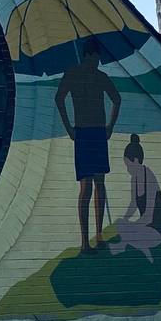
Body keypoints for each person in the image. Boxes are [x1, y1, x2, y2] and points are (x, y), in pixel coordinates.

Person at [56, 50, 123, 251]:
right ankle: (85, 241)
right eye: (92, 57)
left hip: (98, 132)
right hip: (83, 133)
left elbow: (116, 99)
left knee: (100, 184)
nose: (95, 61)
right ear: (85, 56)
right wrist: (69, 128)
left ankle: (99, 235)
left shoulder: (100, 77)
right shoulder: (73, 74)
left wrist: (110, 126)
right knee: (86, 186)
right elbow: (59, 98)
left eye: (97, 58)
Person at [108, 133, 161, 258]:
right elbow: (133, 204)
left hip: (154, 230)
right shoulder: (134, 179)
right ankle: (133, 244)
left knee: (129, 229)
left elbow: (149, 216)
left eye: (128, 165)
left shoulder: (149, 177)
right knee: (120, 223)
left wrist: (133, 226)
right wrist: (125, 220)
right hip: (143, 227)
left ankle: (128, 246)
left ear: (135, 160)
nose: (127, 169)